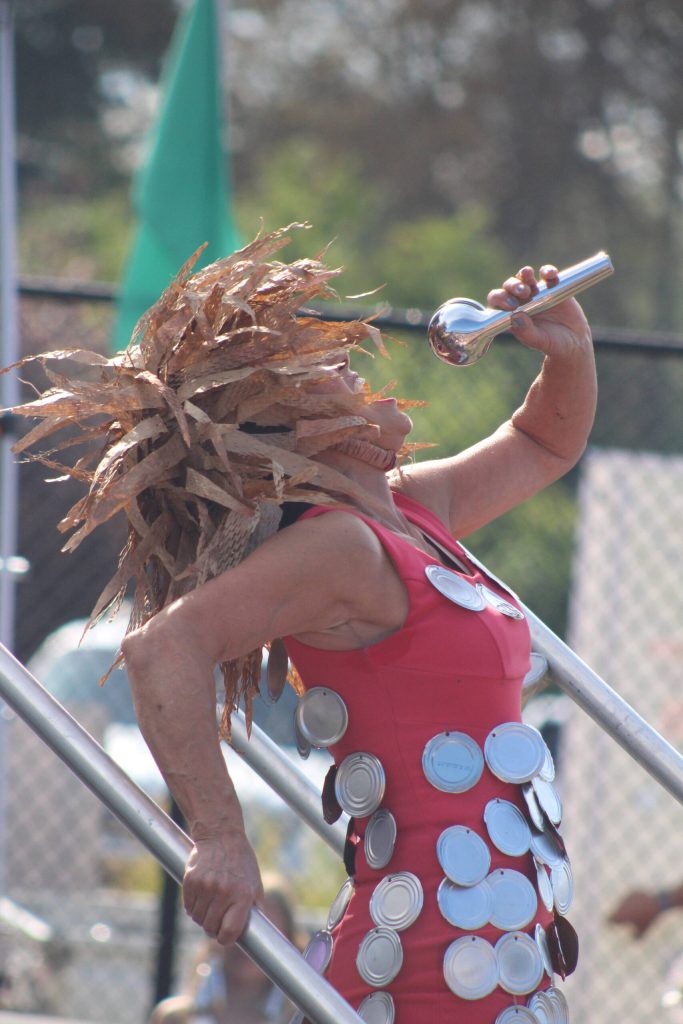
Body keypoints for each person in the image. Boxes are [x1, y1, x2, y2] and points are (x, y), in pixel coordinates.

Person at [8, 224, 594, 1023]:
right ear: (281, 425)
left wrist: (566, 350)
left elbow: (543, 442)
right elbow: (162, 648)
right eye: (317, 367)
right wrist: (217, 837)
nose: (349, 360)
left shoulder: (411, 511)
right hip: (428, 947)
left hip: (494, 937)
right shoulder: (340, 546)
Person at [150, 881, 298, 1024]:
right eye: (238, 927)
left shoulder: (301, 1018)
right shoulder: (176, 1017)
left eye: (265, 935)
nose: (248, 947)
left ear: (288, 942)